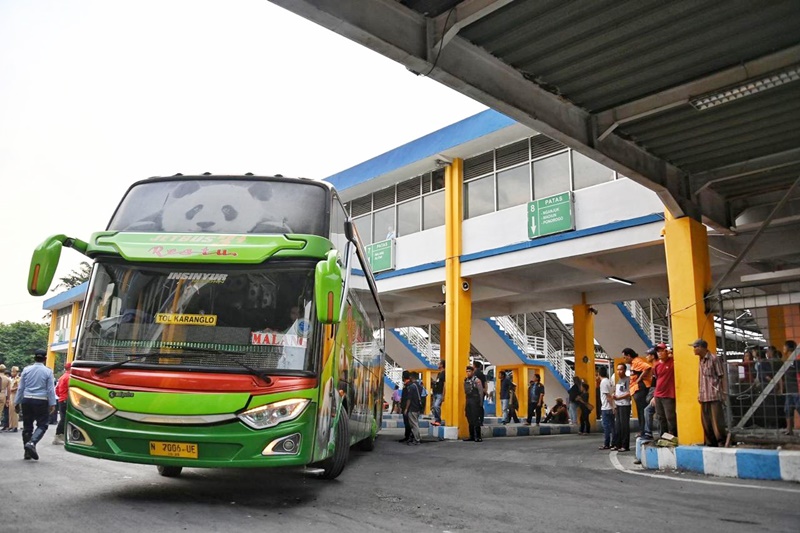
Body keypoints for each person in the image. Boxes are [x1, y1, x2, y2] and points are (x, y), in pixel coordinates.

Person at [14, 349, 57, 460]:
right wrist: (52, 403)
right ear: (45, 359)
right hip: (41, 400)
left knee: (27, 426)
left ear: (34, 358)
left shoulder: (26, 370)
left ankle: (27, 452)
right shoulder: (48, 371)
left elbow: (21, 388)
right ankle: (32, 443)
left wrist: (17, 402)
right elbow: (50, 389)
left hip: (27, 400)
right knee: (42, 424)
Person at [693, 338, 727, 447]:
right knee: (706, 422)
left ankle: (721, 441)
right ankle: (710, 442)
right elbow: (701, 379)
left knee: (717, 421)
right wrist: (699, 393)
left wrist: (723, 392)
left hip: (714, 395)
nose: (694, 350)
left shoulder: (714, 359)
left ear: (701, 347)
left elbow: (722, 376)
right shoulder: (701, 360)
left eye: (695, 347)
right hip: (704, 396)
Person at [622, 347, 652, 439]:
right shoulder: (633, 363)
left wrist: (639, 379)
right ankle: (642, 430)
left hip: (640, 388)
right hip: (636, 389)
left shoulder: (636, 362)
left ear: (629, 356)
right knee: (640, 411)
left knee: (642, 411)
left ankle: (644, 431)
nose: (624, 359)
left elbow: (647, 367)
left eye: (624, 357)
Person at [653, 344, 677, 438]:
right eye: (658, 351)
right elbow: (657, 378)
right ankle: (663, 436)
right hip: (658, 394)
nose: (659, 353)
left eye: (662, 351)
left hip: (668, 394)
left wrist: (671, 353)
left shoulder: (672, 362)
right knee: (660, 417)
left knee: (670, 417)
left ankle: (673, 435)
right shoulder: (656, 365)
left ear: (666, 351)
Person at [780, 340, 799, 436]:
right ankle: (789, 430)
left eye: (784, 347)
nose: (783, 349)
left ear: (788, 348)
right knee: (788, 410)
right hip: (789, 391)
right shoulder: (787, 361)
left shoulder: (796, 361)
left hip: (796, 390)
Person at [612, 362, 632, 451]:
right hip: (618, 405)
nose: (619, 371)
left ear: (624, 370)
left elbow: (629, 393)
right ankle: (618, 444)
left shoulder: (627, 380)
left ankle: (625, 445)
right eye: (618, 369)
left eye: (621, 369)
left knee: (624, 426)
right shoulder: (619, 381)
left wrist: (619, 397)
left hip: (625, 405)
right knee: (618, 426)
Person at [463, 365, 484, 442]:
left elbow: (481, 392)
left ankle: (478, 436)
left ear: (473, 372)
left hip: (475, 400)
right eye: (467, 371)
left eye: (470, 371)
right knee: (469, 418)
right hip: (468, 400)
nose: (468, 373)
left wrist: (481, 403)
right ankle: (471, 435)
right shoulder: (466, 380)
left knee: (475, 419)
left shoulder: (477, 380)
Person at [53, 362, 72, 444]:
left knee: (63, 418)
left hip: (61, 399)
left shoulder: (62, 377)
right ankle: (58, 435)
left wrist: (61, 395)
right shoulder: (69, 377)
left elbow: (57, 390)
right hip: (66, 400)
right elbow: (71, 389)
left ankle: (61, 435)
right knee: (64, 419)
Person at [402, 371, 422, 445]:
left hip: (412, 408)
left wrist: (406, 409)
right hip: (417, 407)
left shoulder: (412, 386)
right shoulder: (419, 386)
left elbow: (409, 399)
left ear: (411, 377)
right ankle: (415, 438)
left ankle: (417, 439)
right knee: (415, 423)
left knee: (414, 424)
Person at [598, 366, 615, 450]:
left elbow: (608, 396)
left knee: (606, 427)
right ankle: (614, 443)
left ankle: (606, 444)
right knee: (612, 426)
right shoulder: (609, 381)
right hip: (610, 407)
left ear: (598, 374)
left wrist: (612, 407)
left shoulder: (603, 382)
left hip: (606, 408)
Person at [6, 366, 21, 432]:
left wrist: (12, 389)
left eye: (13, 371)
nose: (12, 373)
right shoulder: (13, 379)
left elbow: (19, 387)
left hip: (15, 395)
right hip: (11, 395)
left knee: (14, 411)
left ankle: (15, 426)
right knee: (11, 411)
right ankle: (11, 425)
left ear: (16, 372)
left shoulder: (18, 379)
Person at [431, 361, 445, 426]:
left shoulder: (444, 373)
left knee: (436, 406)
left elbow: (444, 384)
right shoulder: (439, 374)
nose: (438, 364)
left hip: (439, 393)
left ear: (442, 365)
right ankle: (436, 420)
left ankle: (438, 420)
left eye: (439, 363)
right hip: (435, 392)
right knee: (434, 407)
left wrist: (443, 394)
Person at [0, 364, 10, 430]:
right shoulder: (7, 379)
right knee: (0, 411)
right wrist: (8, 399)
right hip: (3, 394)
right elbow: (8, 390)